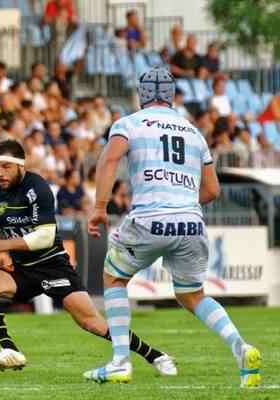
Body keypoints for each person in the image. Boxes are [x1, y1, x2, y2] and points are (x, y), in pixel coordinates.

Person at [83, 68, 261, 388]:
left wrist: (99, 207)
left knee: (113, 277)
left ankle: (120, 361)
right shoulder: (194, 133)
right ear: (171, 95)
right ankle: (241, 347)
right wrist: (181, 201)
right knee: (192, 294)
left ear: (142, 94)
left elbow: (109, 160)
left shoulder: (130, 123)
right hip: (192, 224)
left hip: (150, 218)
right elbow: (211, 191)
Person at [0, 139, 175, 375]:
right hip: (22, 269)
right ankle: (10, 350)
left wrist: (1, 244)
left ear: (22, 166)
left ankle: (156, 356)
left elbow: (45, 237)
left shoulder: (37, 188)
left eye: (6, 167)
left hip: (53, 265)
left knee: (91, 322)